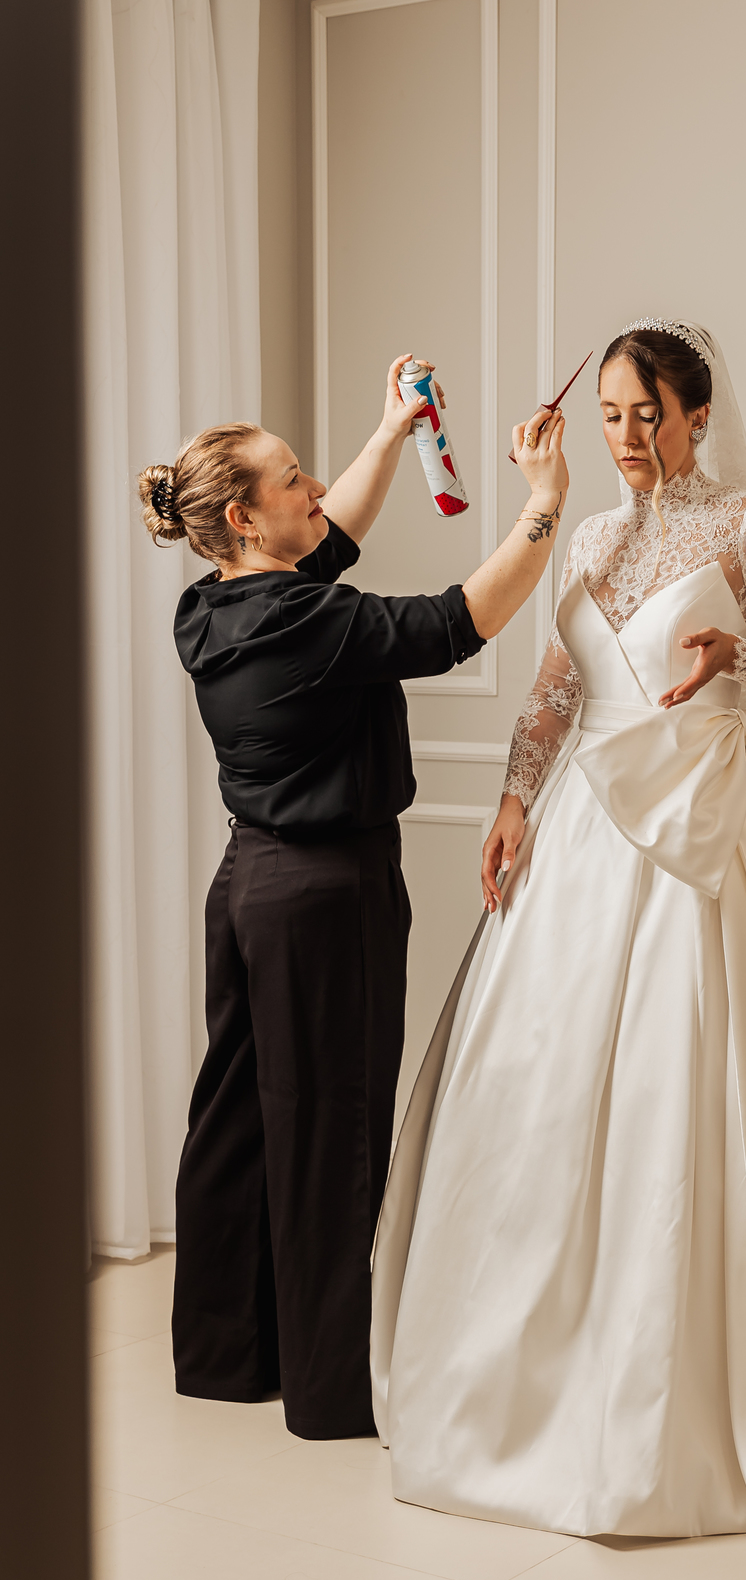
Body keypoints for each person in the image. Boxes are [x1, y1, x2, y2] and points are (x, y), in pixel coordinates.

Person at [370, 320, 746, 1555]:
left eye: (649, 413)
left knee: (691, 1078)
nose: (629, 436)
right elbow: (558, 685)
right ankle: (528, 1377)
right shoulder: (588, 536)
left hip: (706, 823)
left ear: (699, 415)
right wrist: (513, 798)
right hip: (584, 831)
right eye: (610, 414)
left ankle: (704, 1384)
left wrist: (737, 654)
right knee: (545, 1086)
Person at [139, 353, 568, 1441]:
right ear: (245, 516)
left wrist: (392, 430)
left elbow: (331, 534)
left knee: (239, 1114)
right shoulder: (307, 624)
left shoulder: (212, 607)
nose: (315, 488)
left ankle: (228, 1354)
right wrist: (544, 505)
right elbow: (459, 621)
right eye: (293, 478)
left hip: (249, 884)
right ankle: (331, 1388)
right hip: (326, 894)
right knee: (331, 1128)